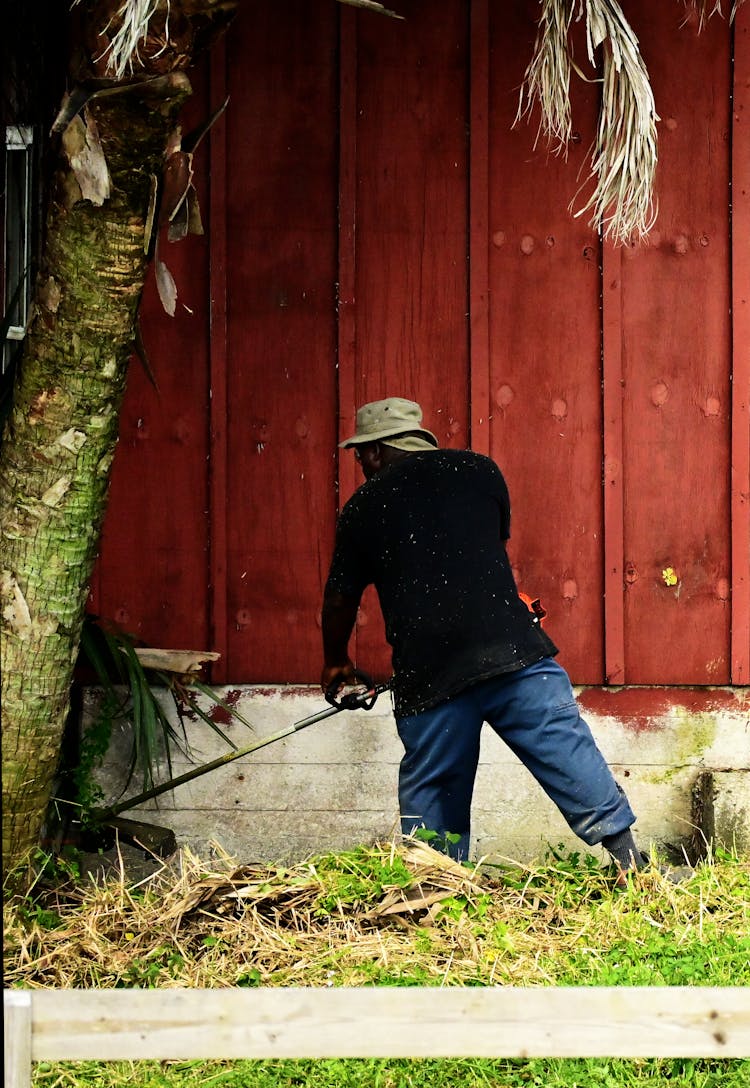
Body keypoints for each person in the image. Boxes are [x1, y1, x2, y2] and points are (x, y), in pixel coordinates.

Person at [320, 396, 646, 879]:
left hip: (430, 674)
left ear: (371, 452)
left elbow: (341, 599)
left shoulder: (362, 508)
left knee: (435, 784)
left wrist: (336, 662)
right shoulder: (481, 472)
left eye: (359, 456)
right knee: (565, 752)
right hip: (513, 653)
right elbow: (477, 549)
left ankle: (437, 892)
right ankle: (632, 864)